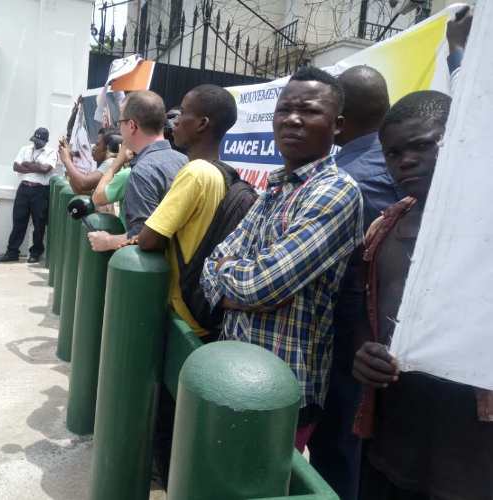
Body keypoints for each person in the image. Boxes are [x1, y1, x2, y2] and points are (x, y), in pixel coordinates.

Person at [201, 67, 363, 451]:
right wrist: (235, 285)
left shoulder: (336, 192)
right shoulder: (275, 186)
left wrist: (235, 282)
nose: (292, 119)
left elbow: (264, 285)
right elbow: (214, 262)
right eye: (284, 109)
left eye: (308, 111)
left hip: (282, 392)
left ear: (336, 125)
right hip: (232, 368)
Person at [352, 89, 493, 500]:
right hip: (393, 443)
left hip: (472, 459)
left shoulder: (483, 226)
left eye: (421, 146)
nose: (405, 161)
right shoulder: (384, 228)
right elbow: (366, 313)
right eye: (393, 153)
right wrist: (364, 353)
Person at [307, 65, 399, 500]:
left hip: (351, 346)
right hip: (363, 346)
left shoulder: (355, 180)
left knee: (340, 462)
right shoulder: (370, 163)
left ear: (340, 118)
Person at [137, 84, 236, 337]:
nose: (176, 121)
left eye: (183, 113)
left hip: (182, 318)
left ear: (202, 123)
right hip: (206, 314)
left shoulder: (195, 173)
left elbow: (149, 240)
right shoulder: (222, 172)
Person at [87, 90, 187, 252]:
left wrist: (108, 241)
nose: (119, 129)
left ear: (132, 126)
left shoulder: (143, 171)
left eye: (120, 123)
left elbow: (143, 236)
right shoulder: (184, 161)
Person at [0, 127, 57, 263]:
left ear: (45, 141)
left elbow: (45, 169)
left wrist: (27, 165)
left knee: (39, 224)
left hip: (40, 191)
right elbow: (16, 166)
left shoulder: (51, 152)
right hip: (24, 189)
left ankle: (35, 253)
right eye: (35, 140)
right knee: (18, 222)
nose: (36, 143)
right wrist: (35, 167)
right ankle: (12, 252)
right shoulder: (25, 149)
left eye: (39, 141)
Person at [60, 127, 121, 195]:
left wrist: (67, 160)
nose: (94, 148)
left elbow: (83, 184)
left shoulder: (111, 162)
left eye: (97, 144)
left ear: (107, 148)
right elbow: (79, 190)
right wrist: (69, 161)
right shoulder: (108, 163)